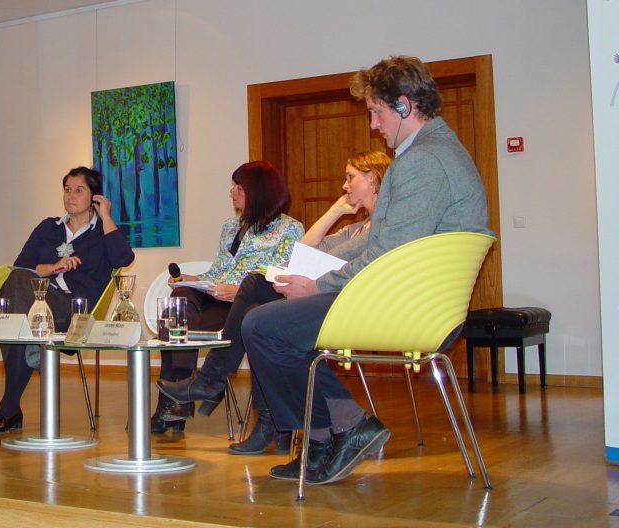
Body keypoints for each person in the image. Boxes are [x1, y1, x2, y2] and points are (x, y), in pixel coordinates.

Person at [243, 56, 491, 486]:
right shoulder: (438, 151)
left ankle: (339, 431)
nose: (374, 125)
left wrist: (318, 284)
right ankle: (334, 434)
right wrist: (313, 278)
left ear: (403, 105)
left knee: (263, 326)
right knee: (271, 318)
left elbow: (387, 253)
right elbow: (383, 245)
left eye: (376, 112)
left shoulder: (424, 162)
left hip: (406, 305)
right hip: (405, 294)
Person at [0, 166, 135, 434]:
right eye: (67, 190)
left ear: (95, 197)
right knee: (18, 284)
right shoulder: (48, 227)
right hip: (37, 299)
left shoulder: (103, 233)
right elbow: (21, 266)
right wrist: (51, 268)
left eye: (79, 190)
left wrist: (106, 216)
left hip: (74, 310)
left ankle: (10, 406)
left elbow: (124, 258)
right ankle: (31, 350)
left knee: (14, 314)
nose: (71, 195)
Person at [152, 161, 301, 435]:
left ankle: (174, 404)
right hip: (217, 298)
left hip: (249, 305)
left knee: (182, 320)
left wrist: (238, 290)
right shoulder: (231, 226)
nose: (231, 192)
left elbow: (279, 276)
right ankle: (181, 395)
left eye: (239, 188)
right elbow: (218, 270)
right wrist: (193, 279)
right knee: (180, 300)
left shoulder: (288, 229)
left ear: (259, 191)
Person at [301, 151, 391, 255]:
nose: (344, 186)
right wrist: (336, 210)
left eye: (350, 177)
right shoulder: (354, 231)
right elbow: (304, 252)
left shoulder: (391, 226)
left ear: (372, 178)